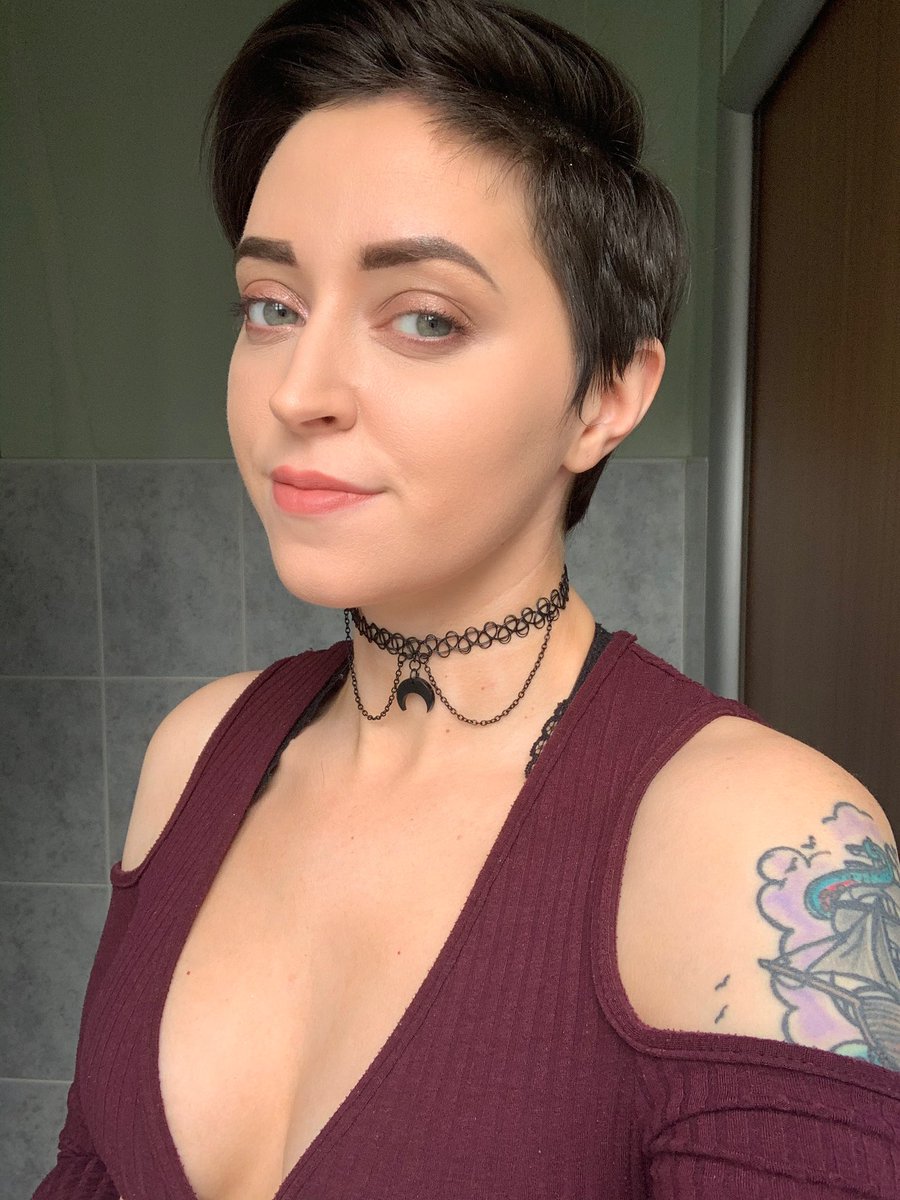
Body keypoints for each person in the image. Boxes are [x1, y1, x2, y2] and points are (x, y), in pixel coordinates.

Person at [34, 1, 900, 1197]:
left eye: (425, 319)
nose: (299, 390)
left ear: (607, 394)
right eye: (272, 305)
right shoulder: (194, 754)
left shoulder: (757, 840)